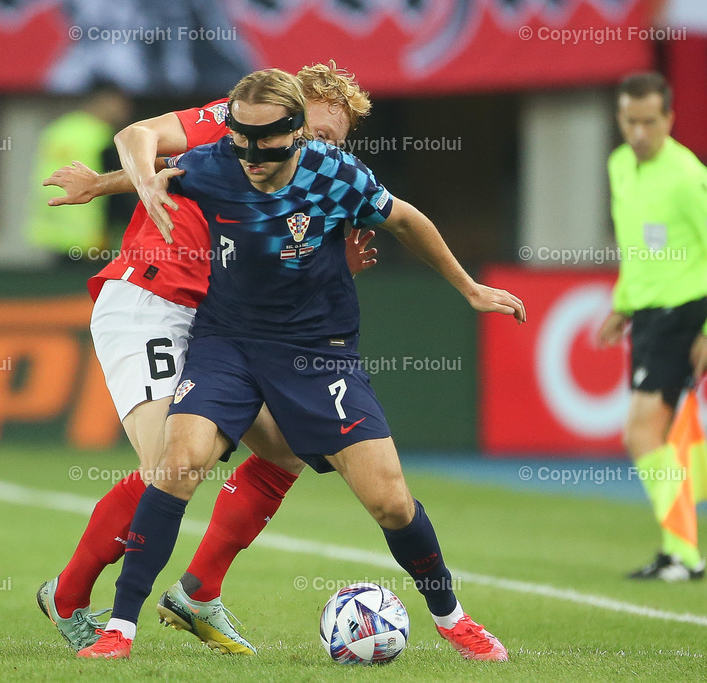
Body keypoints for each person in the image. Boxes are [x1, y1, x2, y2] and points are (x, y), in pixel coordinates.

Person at [78, 68, 525, 662]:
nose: (252, 153)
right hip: (227, 343)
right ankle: (121, 628)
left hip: (318, 353)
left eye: (271, 140)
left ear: (297, 135)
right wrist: (126, 183)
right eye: (241, 138)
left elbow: (406, 220)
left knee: (390, 501)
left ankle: (453, 619)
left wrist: (469, 289)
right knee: (177, 465)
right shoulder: (219, 163)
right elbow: (151, 157)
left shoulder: (337, 177)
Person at [37, 63, 378, 655]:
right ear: (293, 111)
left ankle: (198, 591)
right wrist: (129, 182)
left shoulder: (301, 178)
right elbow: (146, 140)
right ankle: (69, 595)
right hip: (152, 298)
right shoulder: (239, 121)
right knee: (170, 467)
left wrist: (332, 267)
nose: (325, 149)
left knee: (288, 450)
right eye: (318, 133)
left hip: (214, 320)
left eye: (335, 142)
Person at [596, 72, 707, 582]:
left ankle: (685, 553)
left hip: (684, 316)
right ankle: (678, 550)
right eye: (630, 121)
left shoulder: (690, 177)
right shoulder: (620, 166)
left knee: (642, 432)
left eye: (650, 122)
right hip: (647, 319)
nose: (639, 133)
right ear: (620, 119)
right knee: (659, 435)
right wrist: (622, 305)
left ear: (669, 120)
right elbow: (636, 248)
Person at [27, 83, 133, 263]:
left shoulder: (59, 129)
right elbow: (113, 188)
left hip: (55, 225)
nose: (126, 111)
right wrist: (122, 223)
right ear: (104, 101)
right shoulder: (101, 136)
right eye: (121, 104)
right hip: (91, 231)